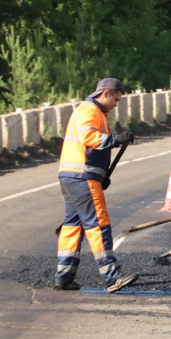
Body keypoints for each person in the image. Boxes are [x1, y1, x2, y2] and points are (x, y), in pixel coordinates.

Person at [55, 77, 134, 290]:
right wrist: (117, 140)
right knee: (98, 223)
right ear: (106, 93)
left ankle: (64, 277)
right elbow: (89, 138)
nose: (116, 104)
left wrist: (101, 175)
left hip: (71, 177)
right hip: (82, 177)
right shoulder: (89, 110)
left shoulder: (93, 111)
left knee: (72, 226)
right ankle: (112, 275)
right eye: (116, 99)